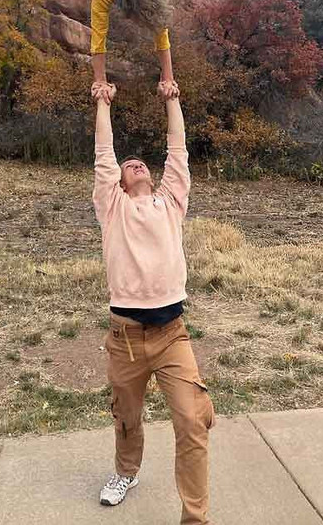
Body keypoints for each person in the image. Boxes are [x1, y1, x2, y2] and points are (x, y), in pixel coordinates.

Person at [91, 76, 213, 525]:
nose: (136, 164)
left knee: (193, 420)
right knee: (126, 417)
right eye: (129, 165)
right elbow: (104, 155)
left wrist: (172, 99)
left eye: (141, 162)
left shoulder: (170, 203)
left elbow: (177, 152)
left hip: (171, 335)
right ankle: (126, 473)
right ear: (120, 184)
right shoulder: (113, 208)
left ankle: (195, 519)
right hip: (124, 338)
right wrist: (103, 103)